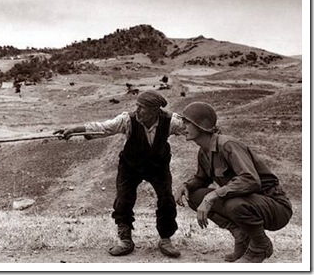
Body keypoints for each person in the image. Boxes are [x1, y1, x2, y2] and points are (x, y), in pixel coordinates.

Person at [54, 90, 186, 258]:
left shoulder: (170, 121)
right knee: (123, 199)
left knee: (166, 198)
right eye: (137, 106)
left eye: (142, 108)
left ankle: (165, 239)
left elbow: (191, 127)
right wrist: (73, 130)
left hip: (158, 166)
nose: (137, 111)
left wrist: (209, 130)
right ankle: (125, 240)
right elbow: (103, 128)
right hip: (130, 166)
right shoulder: (127, 120)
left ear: (155, 111)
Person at [174, 102, 293, 263]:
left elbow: (250, 180)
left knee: (232, 203)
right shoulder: (204, 151)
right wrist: (186, 186)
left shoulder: (228, 145)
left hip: (275, 206)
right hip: (248, 202)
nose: (182, 126)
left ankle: (260, 246)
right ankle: (241, 236)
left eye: (187, 122)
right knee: (195, 196)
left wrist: (213, 196)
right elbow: (201, 179)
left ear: (201, 126)